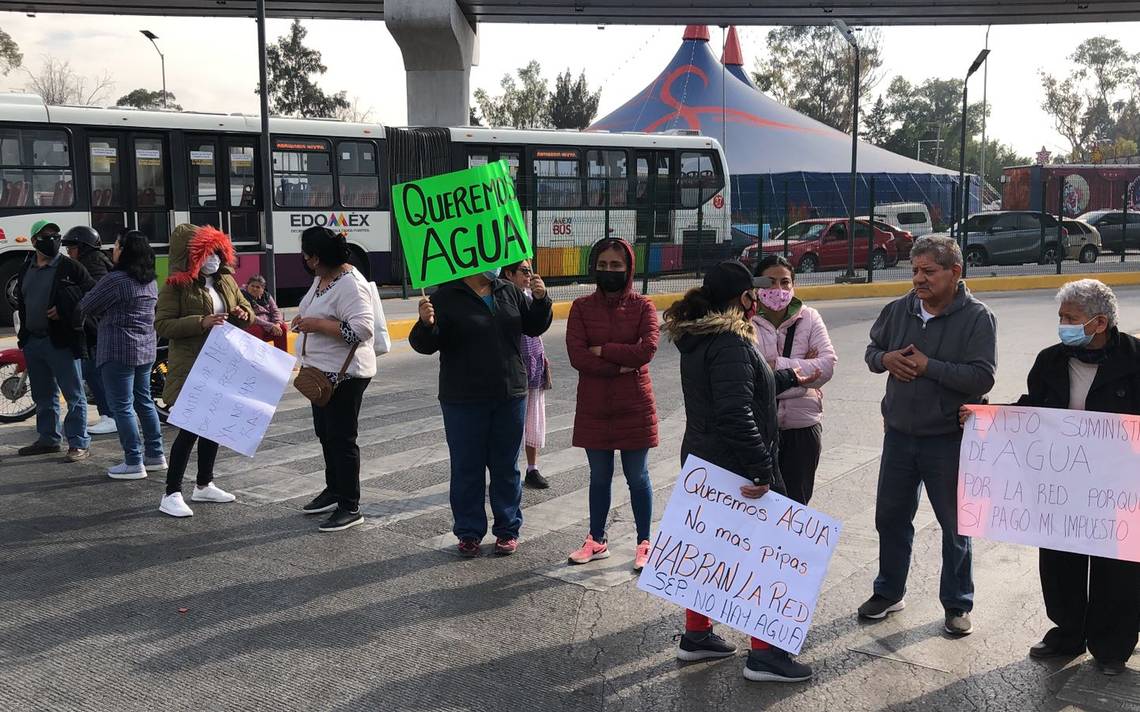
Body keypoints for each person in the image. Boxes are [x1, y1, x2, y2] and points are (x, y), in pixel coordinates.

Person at [959, 279, 1138, 675]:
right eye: (1061, 317)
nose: (1063, 324)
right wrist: (989, 416)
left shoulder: (1135, 359)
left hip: (1119, 487)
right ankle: (1067, 632)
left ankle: (1111, 648)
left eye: (1071, 318)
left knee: (1118, 571)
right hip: (1063, 485)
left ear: (1099, 322)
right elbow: (1032, 412)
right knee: (1059, 561)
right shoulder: (1050, 360)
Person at [663, 259, 819, 683]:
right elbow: (734, 412)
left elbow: (746, 386)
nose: (758, 298)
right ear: (741, 298)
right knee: (761, 562)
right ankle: (765, 656)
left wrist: (790, 378)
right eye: (752, 292)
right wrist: (762, 469)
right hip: (734, 467)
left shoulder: (704, 336)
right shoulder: (730, 341)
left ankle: (696, 637)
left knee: (711, 555)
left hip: (707, 461)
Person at [861, 235, 996, 636]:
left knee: (956, 526)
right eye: (915, 270)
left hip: (948, 440)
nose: (918, 279)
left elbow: (982, 375)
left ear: (955, 272)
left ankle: (957, 604)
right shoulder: (898, 309)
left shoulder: (977, 317)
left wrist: (928, 367)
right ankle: (888, 592)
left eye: (928, 271)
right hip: (899, 436)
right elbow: (871, 352)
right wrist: (885, 359)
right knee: (891, 517)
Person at [409, 262, 553, 557]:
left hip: (509, 393)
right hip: (462, 398)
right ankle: (469, 532)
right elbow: (425, 344)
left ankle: (507, 529)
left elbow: (533, 325)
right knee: (466, 468)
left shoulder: (509, 291)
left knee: (506, 467)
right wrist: (426, 324)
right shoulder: (445, 297)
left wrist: (541, 301)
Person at [565, 238, 659, 571]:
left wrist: (602, 350)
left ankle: (644, 543)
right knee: (599, 477)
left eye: (616, 266)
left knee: (638, 477)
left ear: (629, 268)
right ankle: (596, 539)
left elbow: (646, 350)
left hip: (635, 407)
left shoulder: (644, 307)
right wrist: (623, 362)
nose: (609, 271)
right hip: (594, 407)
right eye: (603, 265)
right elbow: (578, 356)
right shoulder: (580, 308)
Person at [155, 224, 252, 518]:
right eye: (207, 253)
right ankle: (171, 492)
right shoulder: (176, 285)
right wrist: (201, 322)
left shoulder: (226, 281)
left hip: (222, 363)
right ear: (192, 255)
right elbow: (163, 325)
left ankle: (204, 484)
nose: (214, 259)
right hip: (192, 365)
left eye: (217, 252)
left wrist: (243, 314)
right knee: (190, 429)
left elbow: (247, 308)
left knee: (214, 425)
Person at [295, 227, 377, 533]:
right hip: (320, 373)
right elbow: (313, 311)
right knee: (325, 433)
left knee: (342, 439)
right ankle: (333, 490)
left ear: (316, 258)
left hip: (345, 375)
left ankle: (350, 505)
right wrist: (304, 321)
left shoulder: (351, 285)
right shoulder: (322, 279)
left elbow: (361, 330)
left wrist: (317, 324)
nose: (303, 259)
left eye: (305, 254)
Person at [77, 230, 165, 479]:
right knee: (144, 402)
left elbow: (87, 305)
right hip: (145, 350)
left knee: (122, 407)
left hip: (117, 350)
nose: (112, 249)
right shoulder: (150, 280)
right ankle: (155, 455)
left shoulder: (116, 280)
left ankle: (133, 461)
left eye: (116, 245)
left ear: (125, 251)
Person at [751, 254, 838, 505]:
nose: (777, 289)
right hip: (760, 431)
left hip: (803, 429)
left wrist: (775, 366)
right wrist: (802, 380)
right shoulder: (746, 321)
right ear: (757, 286)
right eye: (769, 282)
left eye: (785, 282)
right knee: (757, 510)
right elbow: (750, 380)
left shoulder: (809, 317)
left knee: (796, 509)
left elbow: (827, 366)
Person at [14, 219, 94, 462]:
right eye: (45, 235)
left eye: (55, 234)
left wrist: (66, 309)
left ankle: (78, 443)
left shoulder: (70, 267)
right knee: (43, 395)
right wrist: (24, 337)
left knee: (73, 394)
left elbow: (92, 293)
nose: (52, 239)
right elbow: (22, 299)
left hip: (60, 340)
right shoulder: (26, 267)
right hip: (33, 341)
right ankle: (48, 439)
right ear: (34, 241)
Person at [62, 225, 117, 435]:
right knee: (89, 370)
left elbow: (93, 292)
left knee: (91, 370)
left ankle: (110, 415)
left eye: (72, 247)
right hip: (92, 324)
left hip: (96, 325)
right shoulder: (89, 261)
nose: (69, 251)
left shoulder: (93, 263)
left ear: (83, 247)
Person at [501, 259, 551, 489]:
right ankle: (505, 472)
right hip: (513, 371)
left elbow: (539, 325)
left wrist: (542, 300)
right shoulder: (504, 301)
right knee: (510, 425)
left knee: (534, 419)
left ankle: (533, 468)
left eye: (530, 271)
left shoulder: (531, 299)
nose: (529, 276)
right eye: (524, 271)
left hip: (534, 365)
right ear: (509, 274)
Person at [243, 274, 290, 352]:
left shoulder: (267, 296)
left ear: (263, 289)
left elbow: (275, 311)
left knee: (282, 328)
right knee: (255, 329)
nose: (254, 289)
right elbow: (252, 317)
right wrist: (271, 325)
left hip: (268, 326)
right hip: (252, 324)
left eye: (258, 287)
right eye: (252, 286)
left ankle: (281, 357)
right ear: (248, 286)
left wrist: (277, 324)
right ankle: (257, 357)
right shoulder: (242, 296)